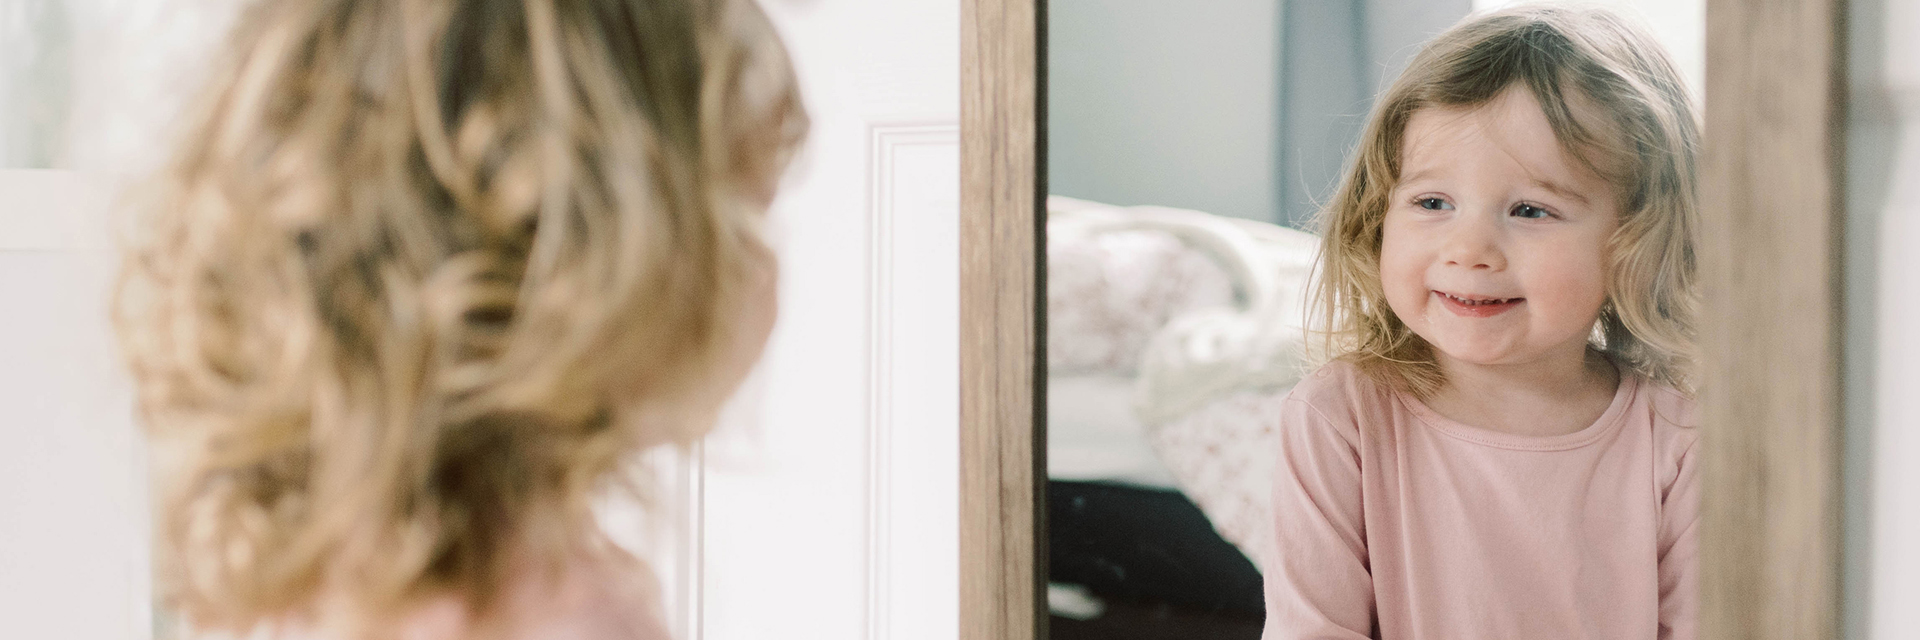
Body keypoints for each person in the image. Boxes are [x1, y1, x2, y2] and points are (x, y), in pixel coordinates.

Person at [112, 0, 807, 638]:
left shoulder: (306, 588)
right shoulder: (563, 615)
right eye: (741, 211)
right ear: (581, 255)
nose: (771, 270)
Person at [1263, 6, 1699, 639]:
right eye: (1432, 202)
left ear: (1637, 240)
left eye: (1530, 210)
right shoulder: (1340, 418)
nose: (1469, 250)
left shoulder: (1681, 442)